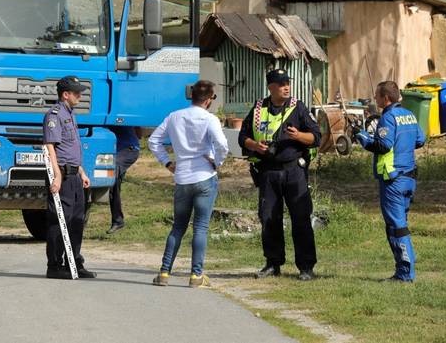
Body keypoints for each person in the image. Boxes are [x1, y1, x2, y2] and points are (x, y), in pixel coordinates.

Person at [238, 68, 321, 281]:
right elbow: (242, 137)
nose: (286, 86)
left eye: (287, 83)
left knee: (301, 219)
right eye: (281, 83)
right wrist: (255, 146)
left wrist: (298, 135)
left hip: (294, 171)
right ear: (271, 87)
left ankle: (306, 267)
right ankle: (273, 263)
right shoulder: (258, 109)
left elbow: (317, 137)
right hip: (268, 172)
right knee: (269, 219)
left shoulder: (298, 107)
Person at [148, 80, 229, 288]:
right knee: (200, 227)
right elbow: (222, 144)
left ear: (191, 96)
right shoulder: (210, 119)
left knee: (178, 227)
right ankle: (196, 276)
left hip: (182, 177)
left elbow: (153, 141)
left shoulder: (174, 116)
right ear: (209, 99)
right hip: (204, 175)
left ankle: (164, 272)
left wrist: (167, 162)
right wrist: (217, 162)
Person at [354, 81, 425, 282]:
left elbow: (383, 145)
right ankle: (404, 269)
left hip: (393, 180)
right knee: (400, 224)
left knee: (396, 226)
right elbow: (420, 140)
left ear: (386, 98)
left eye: (377, 96)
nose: (375, 99)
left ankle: (405, 273)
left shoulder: (388, 117)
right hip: (410, 178)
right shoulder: (409, 114)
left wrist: (363, 138)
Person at [43, 76, 96, 279]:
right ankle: (55, 265)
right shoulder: (54, 115)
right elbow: (50, 147)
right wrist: (57, 175)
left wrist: (81, 171)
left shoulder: (71, 114)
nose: (80, 96)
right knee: (59, 220)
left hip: (74, 176)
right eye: (76, 93)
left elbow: (70, 148)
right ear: (65, 94)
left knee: (76, 221)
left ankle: (74, 263)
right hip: (62, 176)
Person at [107, 126, 142, 234]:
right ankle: (118, 221)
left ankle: (118, 220)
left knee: (112, 175)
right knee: (114, 184)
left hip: (128, 149)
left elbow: (139, 130)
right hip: (116, 151)